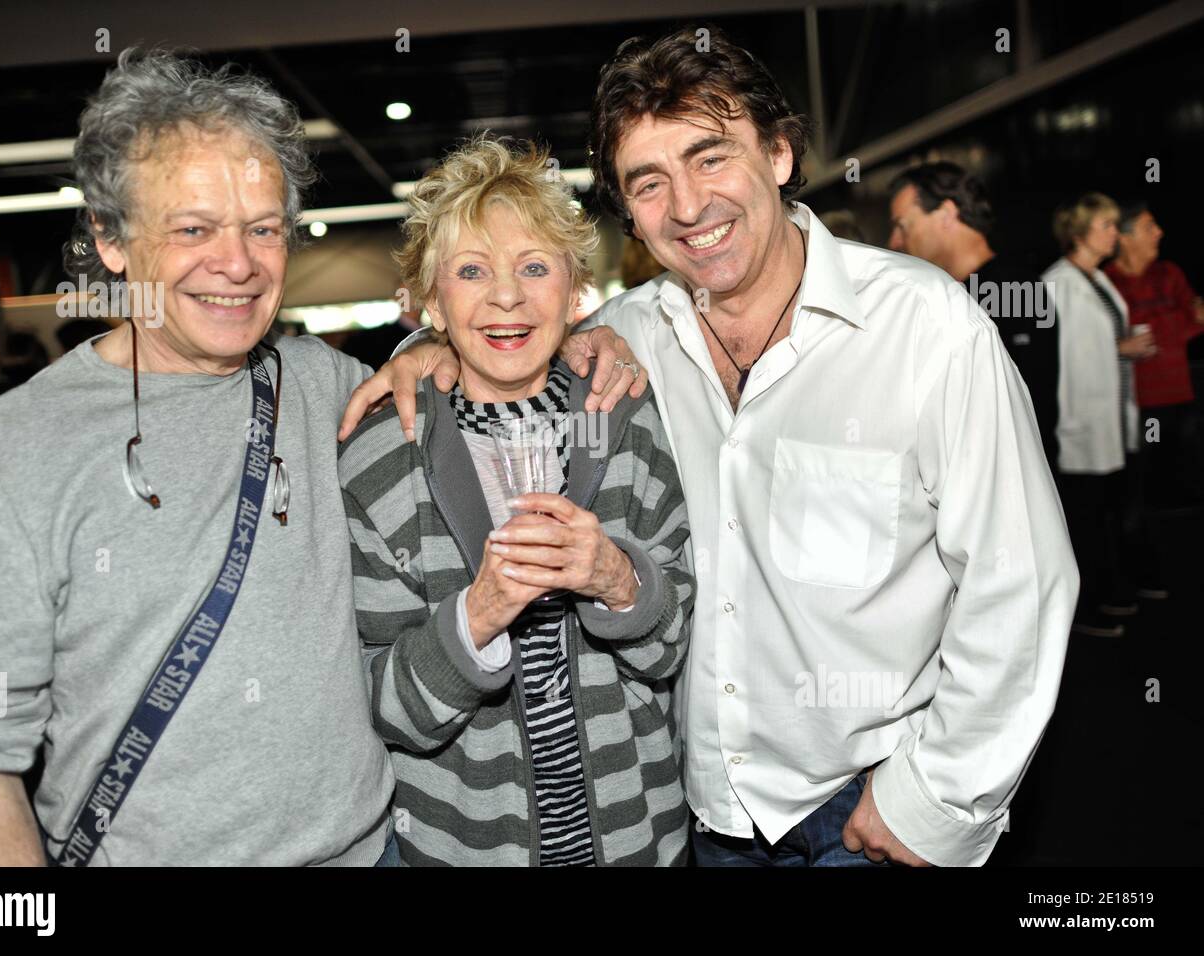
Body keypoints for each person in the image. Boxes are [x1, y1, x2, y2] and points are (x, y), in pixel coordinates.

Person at [344, 26, 1078, 867]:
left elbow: (1021, 580)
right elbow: (503, 336)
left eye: (711, 158)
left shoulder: (925, 326)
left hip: (867, 805)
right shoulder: (624, 341)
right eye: (649, 183)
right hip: (694, 815)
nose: (688, 207)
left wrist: (941, 796)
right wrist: (421, 355)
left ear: (780, 154)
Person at [0, 48, 645, 867]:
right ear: (111, 241)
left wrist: (576, 339)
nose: (238, 262)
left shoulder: (335, 389)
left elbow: (488, 353)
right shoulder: (10, 452)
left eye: (263, 228)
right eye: (193, 229)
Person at [339, 135, 694, 866]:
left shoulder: (623, 418)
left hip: (640, 841)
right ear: (432, 301)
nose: (507, 296)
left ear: (576, 291)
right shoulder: (379, 461)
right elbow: (381, 706)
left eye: (535, 267)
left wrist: (617, 580)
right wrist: (480, 615)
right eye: (472, 272)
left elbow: (672, 647)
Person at [889, 161, 1060, 470]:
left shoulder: (1013, 290)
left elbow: (1021, 413)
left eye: (903, 224)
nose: (895, 242)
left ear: (947, 214)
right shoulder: (962, 292)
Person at [1044, 193, 1161, 638]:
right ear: (1080, 232)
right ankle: (1085, 609)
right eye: (1107, 225)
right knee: (1085, 523)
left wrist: (1119, 349)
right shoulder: (1058, 283)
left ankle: (1111, 593)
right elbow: (1064, 361)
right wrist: (1120, 349)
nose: (1116, 233)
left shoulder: (1096, 279)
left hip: (1109, 419)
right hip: (1080, 424)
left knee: (1107, 515)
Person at [1104, 201, 1204, 505]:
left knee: (1187, 489)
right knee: (1140, 493)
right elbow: (1100, 341)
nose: (1160, 233)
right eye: (1149, 227)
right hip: (1137, 405)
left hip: (1182, 397)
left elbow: (1196, 322)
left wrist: (1162, 327)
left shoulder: (1169, 273)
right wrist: (1177, 320)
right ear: (1124, 237)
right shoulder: (1107, 283)